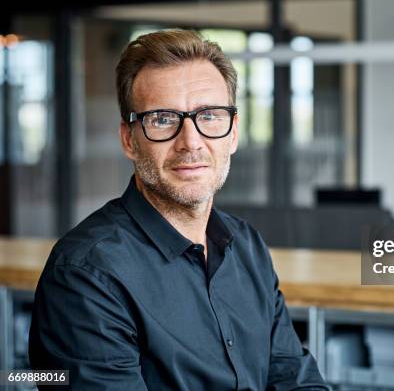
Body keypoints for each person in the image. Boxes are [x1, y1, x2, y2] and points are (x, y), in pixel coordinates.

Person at [29, 29, 328, 390]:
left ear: (233, 133)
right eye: (163, 119)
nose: (191, 142)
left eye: (210, 116)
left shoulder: (247, 246)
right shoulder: (85, 275)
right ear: (129, 139)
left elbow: (293, 378)